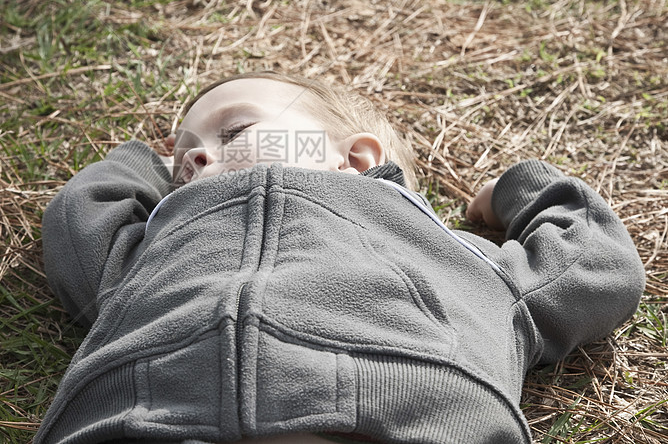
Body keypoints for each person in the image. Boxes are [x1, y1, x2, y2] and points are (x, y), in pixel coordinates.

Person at [35, 71, 646, 444]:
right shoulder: (163, 245)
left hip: (402, 411)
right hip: (149, 407)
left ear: (353, 158)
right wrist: (146, 159)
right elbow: (79, 221)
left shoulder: (455, 253)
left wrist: (519, 189)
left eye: (233, 132)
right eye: (179, 159)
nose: (191, 158)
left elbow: (592, 264)